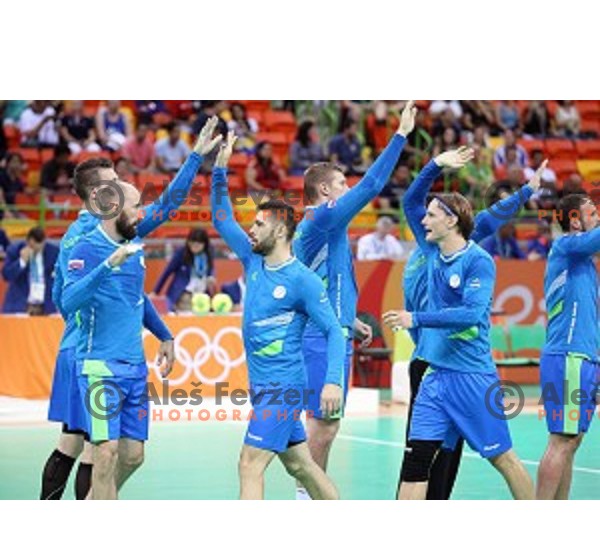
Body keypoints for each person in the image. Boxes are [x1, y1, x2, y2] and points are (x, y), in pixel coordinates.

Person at [48, 118, 223, 501]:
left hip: (118, 352)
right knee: (82, 446)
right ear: (100, 195)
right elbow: (68, 302)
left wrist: (195, 158)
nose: (122, 181)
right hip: (85, 351)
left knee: (99, 449)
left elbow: (166, 208)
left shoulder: (125, 229)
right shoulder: (80, 239)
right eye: (112, 178)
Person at [383, 148, 541, 501]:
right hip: (431, 367)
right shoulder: (429, 246)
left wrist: (527, 192)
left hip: (470, 373)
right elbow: (411, 201)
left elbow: (492, 218)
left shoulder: (474, 258)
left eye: (433, 214)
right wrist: (436, 164)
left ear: (452, 221)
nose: (423, 220)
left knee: (496, 458)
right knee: (417, 459)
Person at [291, 101, 416, 499]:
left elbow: (332, 278)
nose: (348, 190)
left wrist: (350, 319)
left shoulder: (331, 228)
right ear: (326, 191)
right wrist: (399, 135)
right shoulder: (319, 219)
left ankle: (308, 495)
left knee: (327, 424)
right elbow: (373, 186)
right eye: (342, 184)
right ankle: (304, 497)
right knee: (322, 423)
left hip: (334, 330)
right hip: (317, 336)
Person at [211, 131, 345, 500]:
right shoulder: (253, 260)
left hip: (283, 389)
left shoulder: (302, 280)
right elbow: (221, 220)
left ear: (281, 228)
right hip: (262, 387)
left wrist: (332, 381)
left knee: (249, 463)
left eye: (258, 224)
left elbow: (335, 332)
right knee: (302, 466)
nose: (251, 229)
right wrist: (220, 169)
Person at [536, 194, 600, 499]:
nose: (597, 217)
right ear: (574, 221)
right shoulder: (566, 246)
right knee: (561, 439)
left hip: (583, 357)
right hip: (568, 355)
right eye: (592, 213)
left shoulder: (584, 263)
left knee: (571, 441)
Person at [153, 227, 216, 310]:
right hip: (184, 292)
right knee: (188, 307)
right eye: (192, 244)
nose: (194, 247)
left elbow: (211, 269)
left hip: (202, 292)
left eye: (198, 245)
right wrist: (155, 291)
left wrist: (211, 276)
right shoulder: (181, 253)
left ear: (204, 245)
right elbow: (167, 272)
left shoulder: (208, 253)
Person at [2, 226, 58, 315]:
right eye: (32, 246)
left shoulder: (54, 252)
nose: (36, 249)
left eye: (39, 246)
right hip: (21, 304)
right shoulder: (14, 250)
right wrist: (21, 262)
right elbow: (6, 276)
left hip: (46, 306)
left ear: (44, 241)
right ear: (27, 241)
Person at [0, 152, 25, 219]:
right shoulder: (1, 176)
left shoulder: (19, 182)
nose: (16, 164)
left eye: (19, 162)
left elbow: (19, 198)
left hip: (13, 211)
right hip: (2, 210)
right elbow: (0, 196)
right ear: (8, 163)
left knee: (26, 221)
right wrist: (6, 211)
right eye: (14, 161)